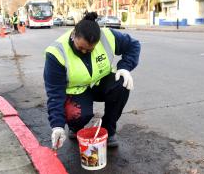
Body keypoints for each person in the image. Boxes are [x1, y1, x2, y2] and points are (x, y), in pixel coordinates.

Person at [44, 12, 141, 149]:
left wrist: (125, 67)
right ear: (73, 35)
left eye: (89, 50)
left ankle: (108, 130)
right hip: (76, 90)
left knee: (121, 84)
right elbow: (55, 93)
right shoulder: (56, 53)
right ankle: (75, 127)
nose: (84, 52)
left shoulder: (107, 36)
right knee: (77, 115)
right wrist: (57, 125)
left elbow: (133, 45)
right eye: (80, 48)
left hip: (99, 82)